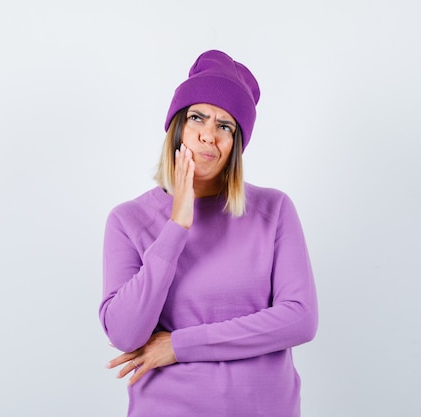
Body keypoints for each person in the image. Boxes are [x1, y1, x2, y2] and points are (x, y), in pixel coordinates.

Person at [99, 50, 318, 417]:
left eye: (225, 126)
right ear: (178, 128)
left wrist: (179, 345)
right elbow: (124, 333)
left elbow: (300, 318)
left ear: (236, 146)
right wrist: (176, 227)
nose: (208, 136)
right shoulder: (128, 220)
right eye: (197, 118)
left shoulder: (274, 210)